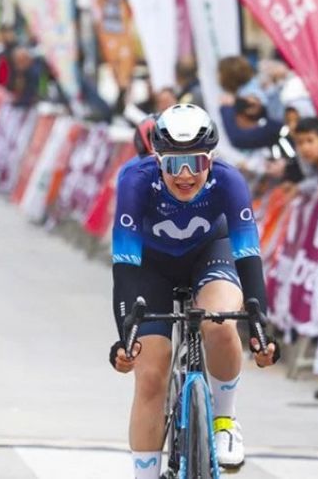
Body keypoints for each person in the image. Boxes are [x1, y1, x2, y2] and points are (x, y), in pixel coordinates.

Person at [110, 104, 279, 478]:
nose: (185, 175)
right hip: (152, 267)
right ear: (158, 160)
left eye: (196, 162)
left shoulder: (229, 181)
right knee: (150, 375)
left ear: (211, 159)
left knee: (219, 323)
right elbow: (124, 267)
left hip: (210, 254)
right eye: (174, 164)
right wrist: (126, 337)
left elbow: (248, 257)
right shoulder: (135, 181)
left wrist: (260, 329)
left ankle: (224, 422)